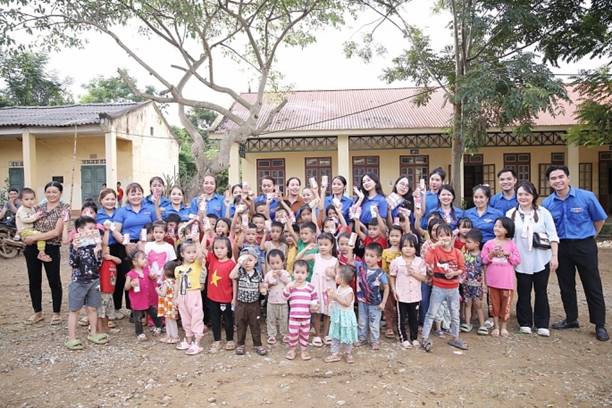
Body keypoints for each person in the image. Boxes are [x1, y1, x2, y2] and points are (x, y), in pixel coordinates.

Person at [543, 165, 609, 341]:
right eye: (553, 178)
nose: (558, 181)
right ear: (549, 182)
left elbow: (599, 219)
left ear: (568, 178)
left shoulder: (586, 197)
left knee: (592, 285)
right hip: (561, 247)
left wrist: (591, 236)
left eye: (561, 177)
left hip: (584, 245)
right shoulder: (548, 203)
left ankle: (599, 324)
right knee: (566, 285)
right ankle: (571, 319)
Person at [508, 181, 559, 337]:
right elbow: (507, 238)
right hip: (521, 260)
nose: (523, 197)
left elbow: (553, 235)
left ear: (534, 196)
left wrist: (554, 256)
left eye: (527, 194)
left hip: (541, 259)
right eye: (520, 194)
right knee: (523, 291)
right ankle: (525, 322)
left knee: (541, 291)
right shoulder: (511, 214)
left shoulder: (544, 213)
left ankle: (542, 323)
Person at [23, 181, 70, 325]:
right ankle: (37, 312)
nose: (51, 194)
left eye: (54, 192)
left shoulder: (64, 208)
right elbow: (27, 223)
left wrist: (35, 237)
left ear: (60, 193)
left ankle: (56, 313)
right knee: (34, 280)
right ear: (45, 193)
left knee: (54, 280)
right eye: (48, 192)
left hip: (51, 247)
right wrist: (26, 236)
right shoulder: (38, 207)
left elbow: (56, 232)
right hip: (32, 248)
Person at [421, 223, 467, 352]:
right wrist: (434, 246)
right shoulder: (435, 251)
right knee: (431, 313)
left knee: (455, 314)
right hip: (438, 287)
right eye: (441, 235)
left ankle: (455, 337)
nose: (444, 238)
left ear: (451, 236)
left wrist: (454, 273)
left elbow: (462, 269)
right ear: (437, 237)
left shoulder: (457, 252)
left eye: (447, 235)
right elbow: (428, 260)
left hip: (453, 288)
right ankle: (424, 337)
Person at [65, 216, 109, 350]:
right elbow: (73, 263)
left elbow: (99, 264)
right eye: (90, 228)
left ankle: (93, 333)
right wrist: (75, 248)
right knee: (75, 309)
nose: (93, 231)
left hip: (94, 280)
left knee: (92, 308)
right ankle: (71, 338)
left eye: (94, 228)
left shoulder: (95, 245)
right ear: (80, 230)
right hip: (78, 281)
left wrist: (98, 250)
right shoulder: (76, 245)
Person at [481, 217, 521, 337]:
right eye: (496, 226)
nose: (496, 228)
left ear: (507, 230)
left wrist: (508, 254)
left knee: (506, 305)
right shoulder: (488, 244)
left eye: (500, 226)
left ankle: (504, 326)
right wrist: (491, 254)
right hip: (492, 281)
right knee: (493, 305)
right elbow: (483, 260)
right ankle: (496, 327)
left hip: (507, 282)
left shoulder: (511, 244)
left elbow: (517, 260)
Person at [297, 232, 338, 347]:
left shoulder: (335, 260)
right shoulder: (316, 256)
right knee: (316, 311)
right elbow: (298, 259)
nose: (323, 247)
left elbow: (339, 278)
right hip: (316, 288)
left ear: (332, 245)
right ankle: (318, 335)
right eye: (320, 244)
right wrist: (306, 248)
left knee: (328, 312)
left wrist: (333, 274)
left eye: (326, 244)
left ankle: (326, 335)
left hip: (328, 289)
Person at [96, 188, 129, 318]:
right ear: (101, 200)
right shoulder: (97, 214)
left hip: (119, 247)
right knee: (105, 278)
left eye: (112, 199)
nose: (110, 201)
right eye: (107, 199)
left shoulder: (120, 212)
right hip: (104, 248)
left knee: (120, 277)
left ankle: (117, 307)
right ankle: (103, 309)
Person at [389, 234, 426, 349]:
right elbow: (392, 276)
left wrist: (413, 273)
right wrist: (393, 290)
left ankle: (414, 338)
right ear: (401, 247)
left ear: (416, 248)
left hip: (415, 295)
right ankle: (403, 338)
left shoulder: (420, 262)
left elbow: (424, 278)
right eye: (405, 246)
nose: (408, 249)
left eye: (411, 246)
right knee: (401, 318)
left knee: (414, 318)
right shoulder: (396, 262)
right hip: (401, 295)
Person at [230, 247, 268, 356]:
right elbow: (231, 276)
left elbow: (261, 286)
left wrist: (263, 290)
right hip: (241, 304)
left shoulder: (258, 273)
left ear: (256, 260)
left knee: (255, 324)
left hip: (254, 305)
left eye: (250, 260)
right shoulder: (240, 272)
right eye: (245, 260)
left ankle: (257, 344)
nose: (247, 263)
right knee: (240, 324)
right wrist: (239, 263)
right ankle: (240, 344)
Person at [174, 238, 208, 354]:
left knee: (196, 317)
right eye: (188, 252)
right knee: (185, 318)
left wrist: (197, 242)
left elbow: (200, 255)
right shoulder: (178, 269)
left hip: (194, 294)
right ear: (182, 254)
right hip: (182, 295)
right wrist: (175, 298)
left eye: (193, 252)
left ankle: (197, 343)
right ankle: (188, 340)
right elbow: (177, 284)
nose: (192, 255)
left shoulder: (197, 265)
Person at [205, 236, 237, 353]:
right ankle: (217, 340)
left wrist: (234, 298)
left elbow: (234, 282)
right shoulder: (213, 259)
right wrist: (204, 234)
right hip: (212, 297)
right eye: (216, 248)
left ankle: (230, 339)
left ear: (228, 249)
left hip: (226, 298)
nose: (219, 251)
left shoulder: (231, 264)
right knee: (215, 319)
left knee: (228, 320)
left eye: (222, 248)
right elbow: (201, 250)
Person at [356, 242, 389, 350]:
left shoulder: (380, 273)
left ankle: (375, 341)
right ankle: (362, 339)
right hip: (362, 301)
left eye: (371, 256)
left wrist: (383, 303)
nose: (368, 258)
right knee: (362, 321)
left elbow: (386, 287)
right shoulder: (361, 267)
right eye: (366, 255)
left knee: (374, 322)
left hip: (375, 303)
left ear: (378, 258)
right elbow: (350, 261)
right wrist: (351, 247)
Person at [283, 260, 319, 361]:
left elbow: (315, 299)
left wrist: (315, 305)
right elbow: (284, 297)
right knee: (293, 334)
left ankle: (304, 350)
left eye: (302, 273)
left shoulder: (310, 287)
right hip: (294, 317)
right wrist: (287, 288)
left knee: (305, 334)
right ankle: (292, 350)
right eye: (297, 272)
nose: (299, 275)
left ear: (307, 274)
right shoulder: (291, 286)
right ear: (293, 273)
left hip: (306, 317)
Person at [125, 250, 163, 341]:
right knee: (138, 318)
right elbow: (126, 287)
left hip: (148, 299)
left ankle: (159, 326)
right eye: (143, 258)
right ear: (134, 262)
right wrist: (131, 284)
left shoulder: (147, 270)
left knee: (154, 314)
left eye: (145, 257)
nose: (145, 260)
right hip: (137, 301)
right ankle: (140, 333)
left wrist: (153, 276)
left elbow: (154, 279)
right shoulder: (131, 274)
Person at [325, 265, 358, 364]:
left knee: (347, 335)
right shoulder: (339, 287)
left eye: (336, 274)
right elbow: (335, 300)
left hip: (346, 317)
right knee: (335, 335)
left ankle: (348, 353)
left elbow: (347, 303)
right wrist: (330, 296)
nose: (335, 276)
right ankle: (335, 353)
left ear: (342, 279)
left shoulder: (349, 291)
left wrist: (335, 297)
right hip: (338, 316)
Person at [460, 229, 488, 335]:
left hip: (478, 285)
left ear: (477, 244)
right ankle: (467, 323)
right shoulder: (465, 254)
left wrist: (484, 284)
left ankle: (482, 325)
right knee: (467, 303)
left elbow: (484, 271)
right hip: (466, 284)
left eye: (469, 242)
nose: (466, 244)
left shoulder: (481, 256)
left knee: (478, 305)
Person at [15, 187, 50, 262]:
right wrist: (36, 217)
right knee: (40, 235)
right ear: (21, 200)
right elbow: (25, 219)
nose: (30, 201)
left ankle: (41, 251)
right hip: (24, 231)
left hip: (30, 230)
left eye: (32, 199)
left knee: (39, 236)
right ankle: (41, 253)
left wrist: (39, 215)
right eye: (26, 199)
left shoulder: (31, 208)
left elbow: (35, 214)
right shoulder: (21, 210)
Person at [264, 249, 290, 345]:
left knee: (284, 319)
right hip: (271, 301)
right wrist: (271, 283)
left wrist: (281, 276)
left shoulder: (285, 273)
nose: (275, 265)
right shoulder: (268, 274)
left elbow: (289, 283)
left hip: (283, 301)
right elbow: (265, 285)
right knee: (271, 319)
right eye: (272, 263)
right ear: (269, 264)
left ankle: (284, 334)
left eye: (277, 263)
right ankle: (271, 335)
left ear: (283, 262)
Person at [381, 225, 402, 339]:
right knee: (388, 305)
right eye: (392, 236)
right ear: (388, 237)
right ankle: (389, 326)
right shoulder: (385, 252)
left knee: (400, 305)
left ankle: (399, 326)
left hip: (401, 283)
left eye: (397, 236)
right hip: (389, 283)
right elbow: (384, 269)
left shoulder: (403, 252)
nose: (394, 238)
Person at [157, 261, 180, 344]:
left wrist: (157, 290)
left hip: (167, 304)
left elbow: (163, 294)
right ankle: (169, 336)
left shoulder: (166, 282)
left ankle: (174, 336)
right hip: (172, 304)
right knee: (171, 320)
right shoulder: (175, 281)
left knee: (169, 321)